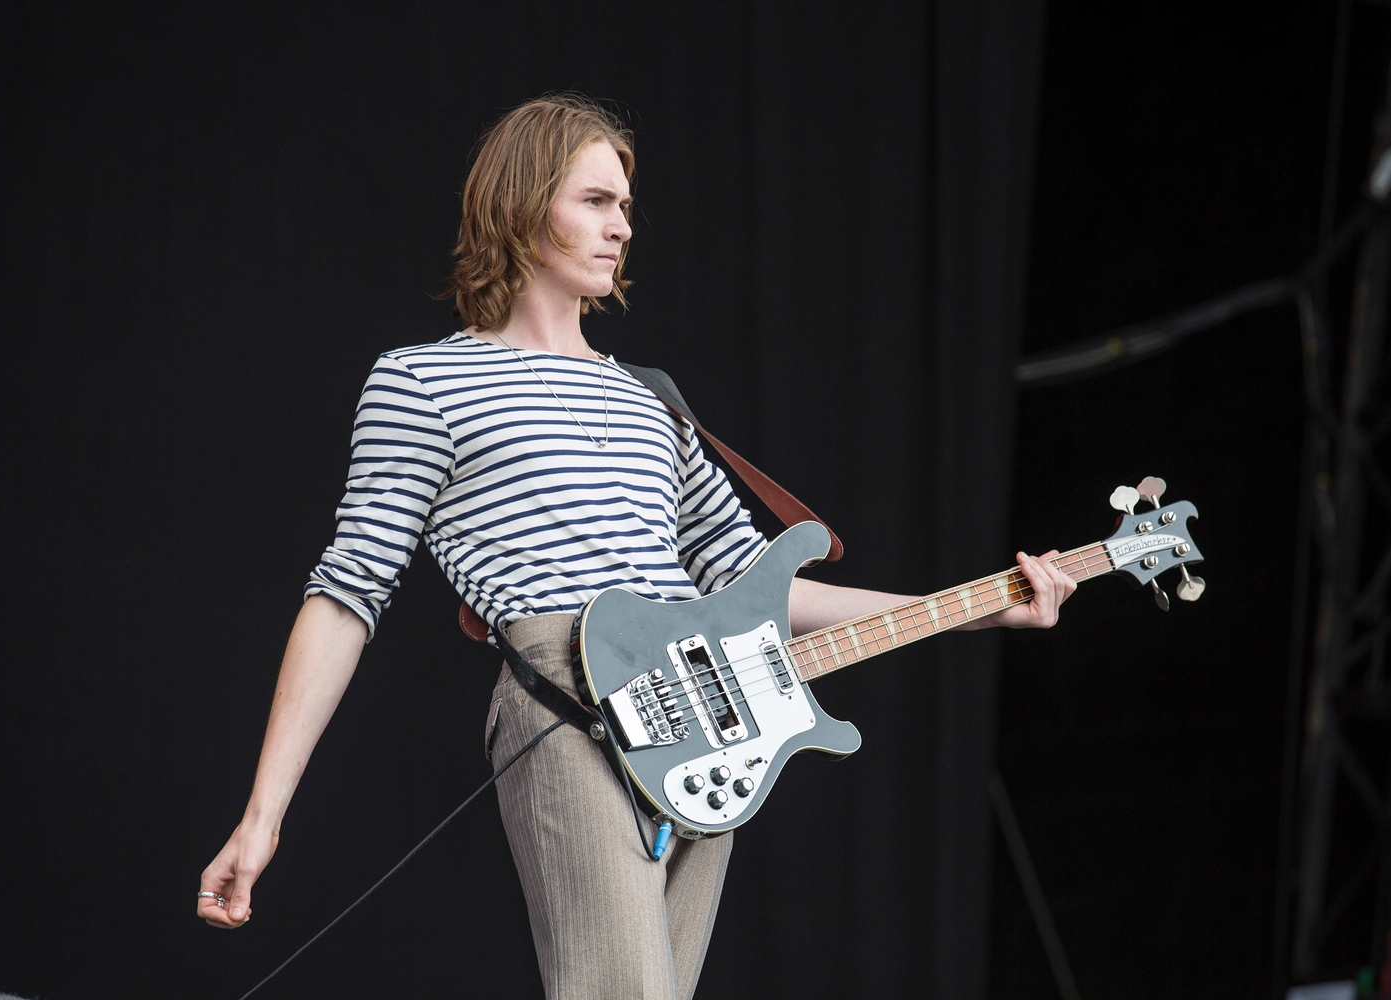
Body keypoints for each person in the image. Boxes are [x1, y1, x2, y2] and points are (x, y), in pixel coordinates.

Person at [196, 93, 1076, 999]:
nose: (623, 225)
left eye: (625, 204)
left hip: (708, 711)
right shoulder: (424, 382)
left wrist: (977, 609)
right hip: (567, 695)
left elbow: (754, 582)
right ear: (521, 202)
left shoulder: (651, 396)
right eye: (595, 200)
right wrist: (264, 818)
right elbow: (347, 594)